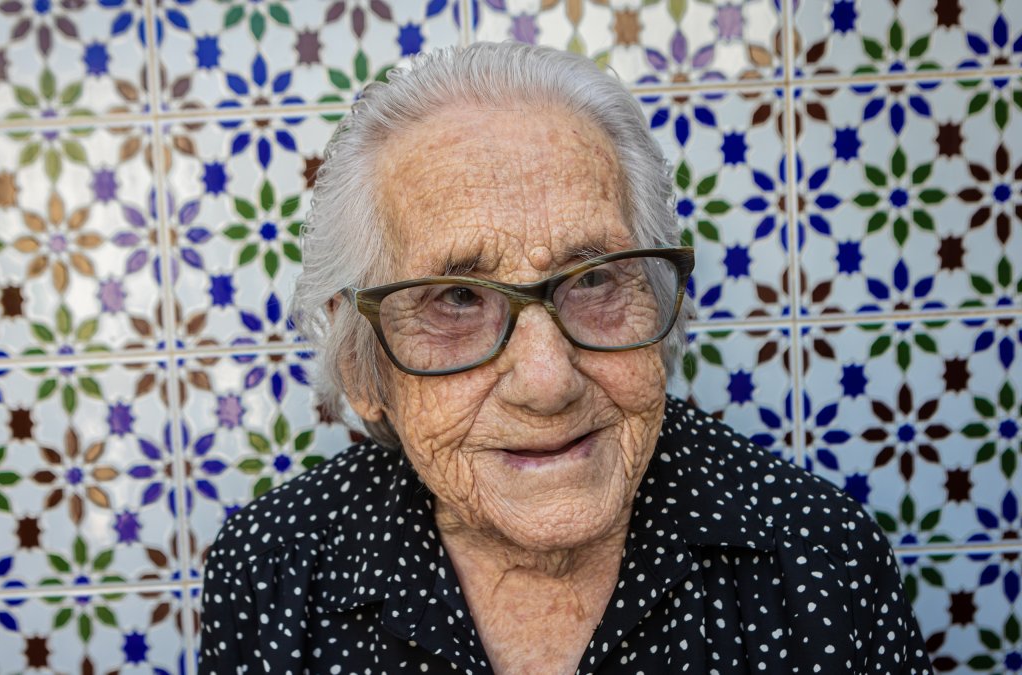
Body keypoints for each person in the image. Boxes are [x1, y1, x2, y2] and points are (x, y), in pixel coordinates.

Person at [199, 42, 932, 674]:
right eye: (456, 299)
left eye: (592, 279)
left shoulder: (817, 559)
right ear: (364, 369)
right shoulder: (273, 573)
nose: (548, 382)